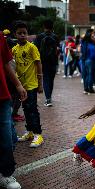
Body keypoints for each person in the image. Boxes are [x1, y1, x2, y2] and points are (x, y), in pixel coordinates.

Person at [0, 31, 27, 189]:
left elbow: (6, 62)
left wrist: (17, 84)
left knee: (8, 137)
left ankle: (6, 173)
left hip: (2, 95)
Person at [12, 21, 44, 147]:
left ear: (27, 34)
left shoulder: (32, 47)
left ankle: (38, 134)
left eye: (24, 33)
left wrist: (40, 83)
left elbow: (38, 64)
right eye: (19, 33)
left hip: (31, 85)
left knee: (32, 109)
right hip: (22, 86)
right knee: (25, 108)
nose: (22, 35)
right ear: (15, 34)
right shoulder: (14, 49)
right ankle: (29, 131)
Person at [34, 19, 59, 107]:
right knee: (51, 80)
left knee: (46, 79)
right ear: (52, 27)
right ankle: (49, 98)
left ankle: (48, 99)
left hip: (43, 62)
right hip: (53, 61)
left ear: (44, 27)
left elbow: (35, 50)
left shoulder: (39, 36)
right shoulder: (55, 37)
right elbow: (57, 50)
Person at [80, 29, 95, 94]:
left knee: (86, 75)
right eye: (92, 36)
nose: (94, 37)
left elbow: (82, 51)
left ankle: (86, 88)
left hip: (85, 60)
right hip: (90, 60)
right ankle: (90, 88)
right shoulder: (91, 45)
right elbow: (93, 54)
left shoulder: (84, 43)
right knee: (90, 74)